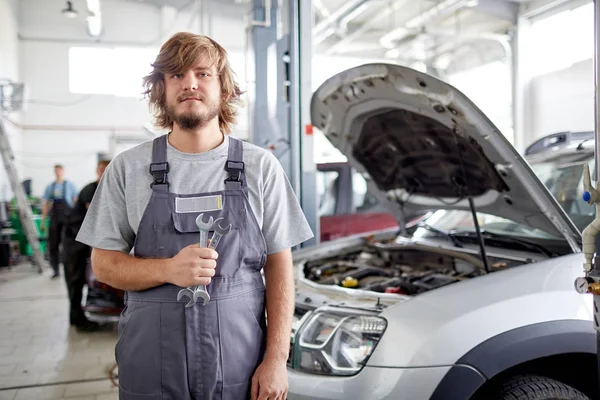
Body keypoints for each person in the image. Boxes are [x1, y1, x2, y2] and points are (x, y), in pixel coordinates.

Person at [76, 32, 314, 400]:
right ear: (161, 88)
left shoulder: (260, 168)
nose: (189, 84)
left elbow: (280, 267)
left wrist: (276, 360)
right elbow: (104, 265)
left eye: (203, 73)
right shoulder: (128, 169)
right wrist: (167, 270)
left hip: (241, 362)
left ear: (224, 87)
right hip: (150, 365)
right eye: (176, 75)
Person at [62, 159, 110, 332]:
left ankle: (77, 317)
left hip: (83, 240)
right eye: (101, 170)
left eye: (107, 169)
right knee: (74, 281)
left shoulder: (106, 188)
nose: (104, 173)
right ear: (97, 171)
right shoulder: (91, 190)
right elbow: (95, 215)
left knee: (81, 280)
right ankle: (77, 320)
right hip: (74, 241)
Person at [41, 164, 77, 279]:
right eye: (56, 171)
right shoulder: (50, 187)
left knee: (68, 243)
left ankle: (70, 268)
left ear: (63, 171)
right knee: (53, 244)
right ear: (54, 172)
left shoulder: (70, 185)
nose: (58, 172)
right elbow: (46, 204)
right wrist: (43, 220)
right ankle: (55, 269)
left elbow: (76, 201)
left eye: (59, 170)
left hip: (67, 218)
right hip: (55, 218)